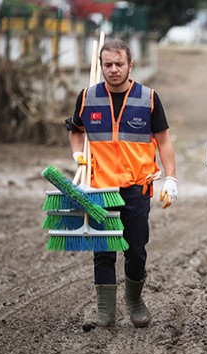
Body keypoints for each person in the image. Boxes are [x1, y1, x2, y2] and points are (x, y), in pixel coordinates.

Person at [65, 39, 177, 330]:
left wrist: (171, 177)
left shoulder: (149, 98)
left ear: (131, 65)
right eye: (107, 64)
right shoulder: (87, 97)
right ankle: (105, 310)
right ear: (100, 65)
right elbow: (76, 130)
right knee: (102, 249)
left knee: (136, 249)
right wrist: (78, 153)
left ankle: (135, 301)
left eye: (119, 64)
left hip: (136, 187)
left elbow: (163, 140)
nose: (113, 70)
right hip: (99, 186)